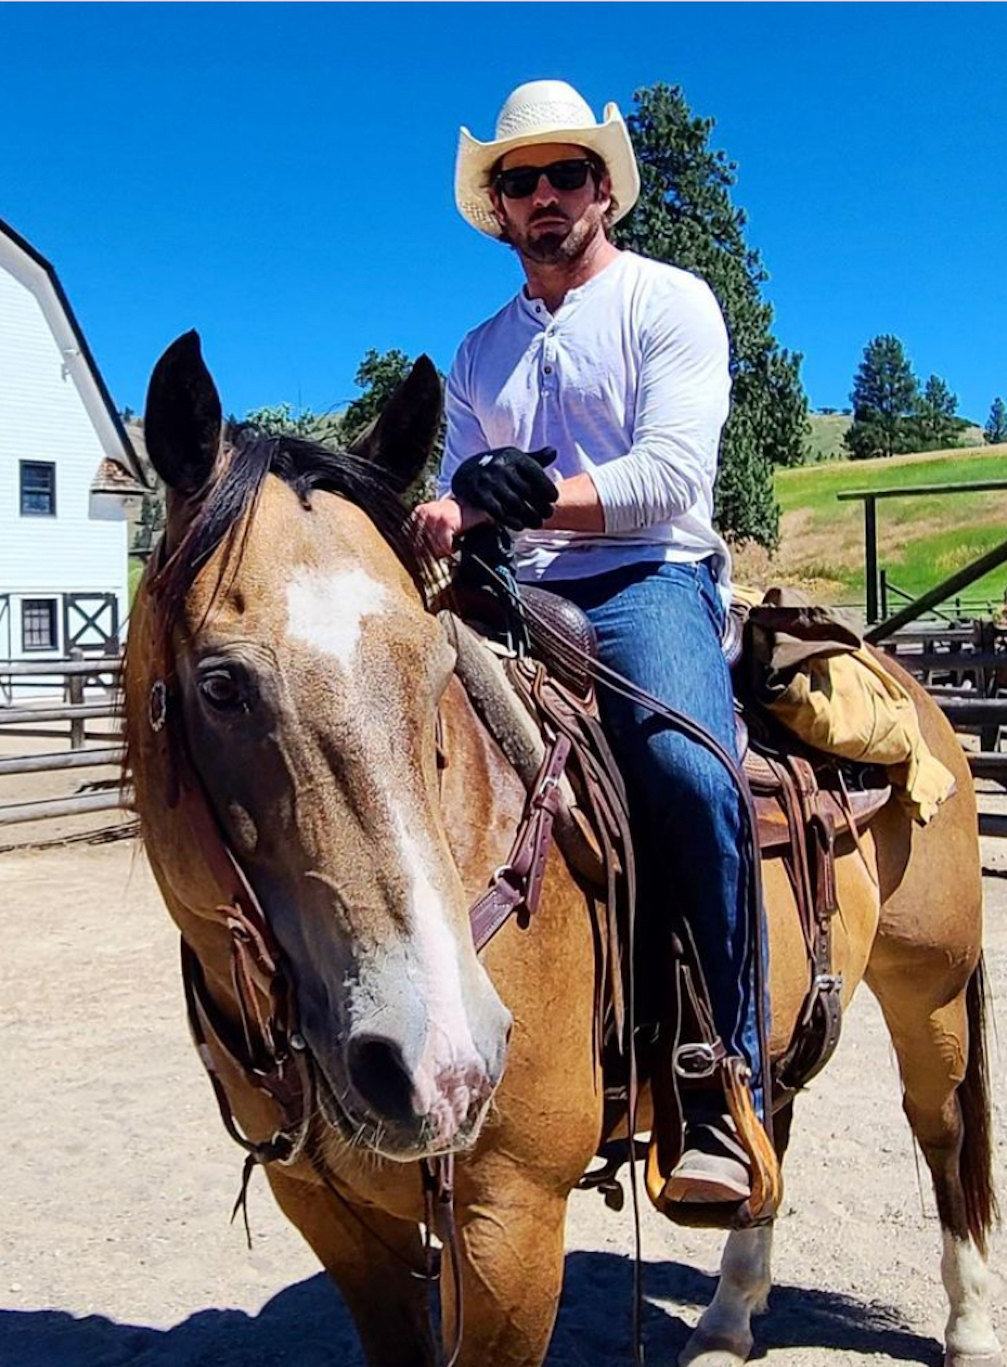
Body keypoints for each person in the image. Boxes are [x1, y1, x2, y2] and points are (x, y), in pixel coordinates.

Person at [413, 78, 762, 1203]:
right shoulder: (477, 354)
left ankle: (721, 1072)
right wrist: (445, 512)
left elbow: (673, 476)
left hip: (647, 580)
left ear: (604, 190)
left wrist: (527, 500)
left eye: (568, 174)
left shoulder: (671, 303)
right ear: (501, 209)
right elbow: (456, 488)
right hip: (510, 592)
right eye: (523, 181)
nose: (548, 195)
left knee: (687, 772)